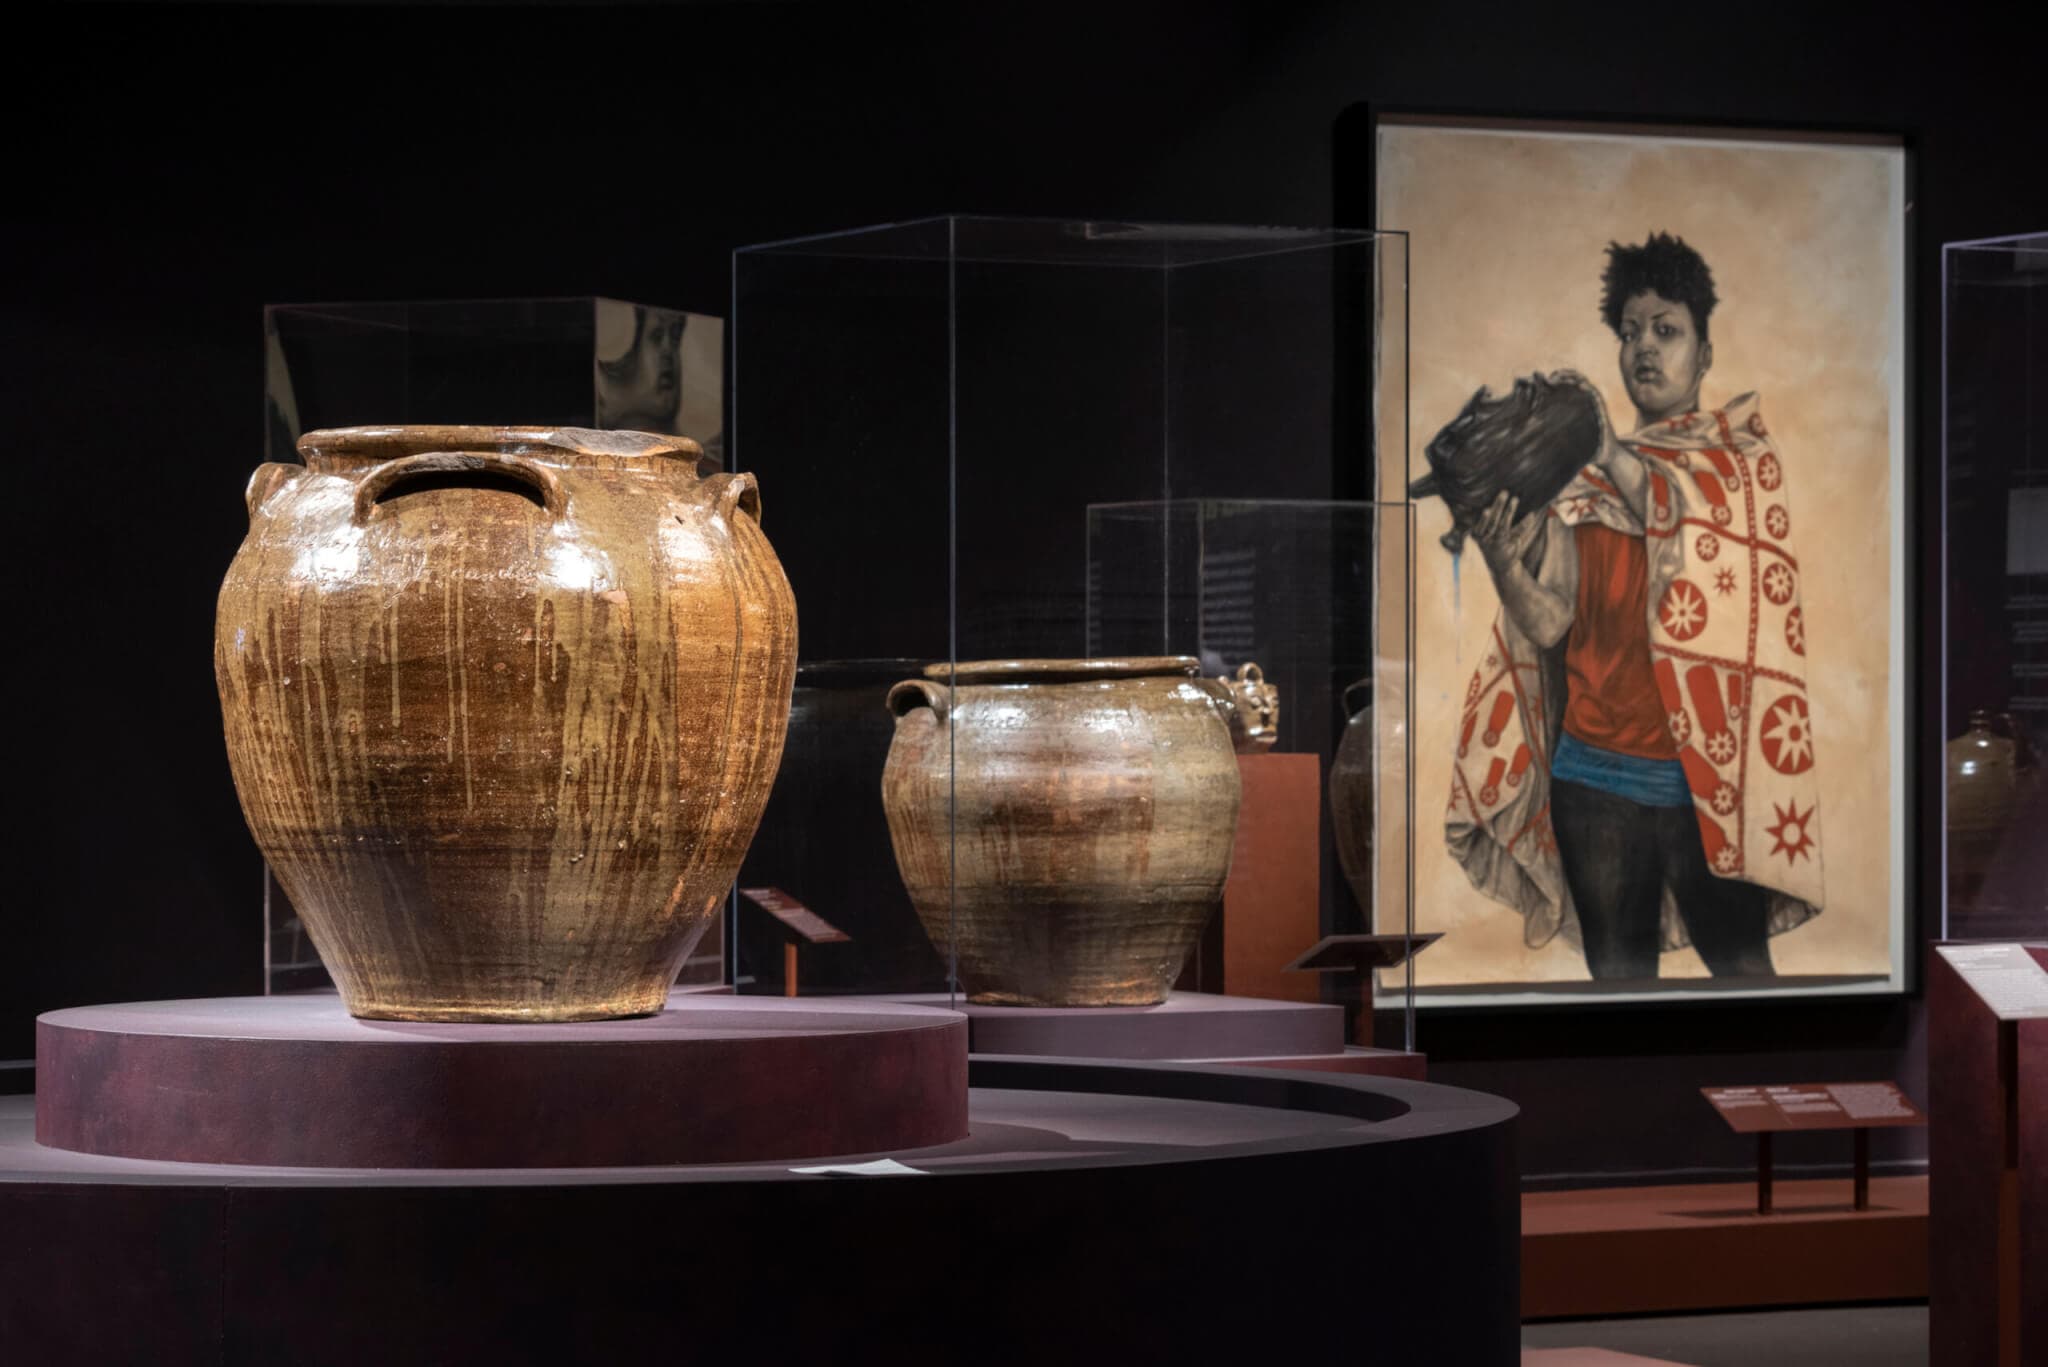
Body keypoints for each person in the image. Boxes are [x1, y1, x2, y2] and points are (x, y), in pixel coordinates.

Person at [1434, 232, 1823, 980]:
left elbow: (1689, 533)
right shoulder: (1581, 485)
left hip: (1709, 793)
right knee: (1619, 989)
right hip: (1594, 787)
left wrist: (1611, 451)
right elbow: (1551, 623)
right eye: (1630, 331)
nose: (1644, 346)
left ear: (1704, 354)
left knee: (1746, 982)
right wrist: (1500, 557)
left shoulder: (1736, 471)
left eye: (1666, 330)